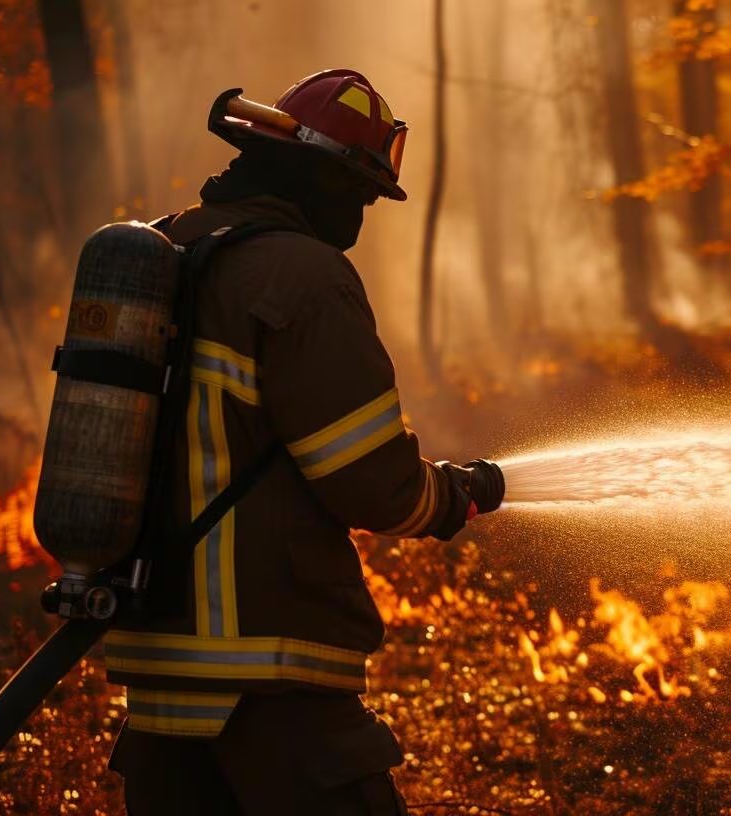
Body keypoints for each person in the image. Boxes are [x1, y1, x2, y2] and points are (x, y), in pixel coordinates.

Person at [103, 69, 489, 815]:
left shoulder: (168, 252)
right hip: (269, 665)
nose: (360, 214)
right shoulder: (304, 276)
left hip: (158, 670)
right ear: (315, 174)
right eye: (357, 192)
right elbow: (372, 483)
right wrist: (455, 496)